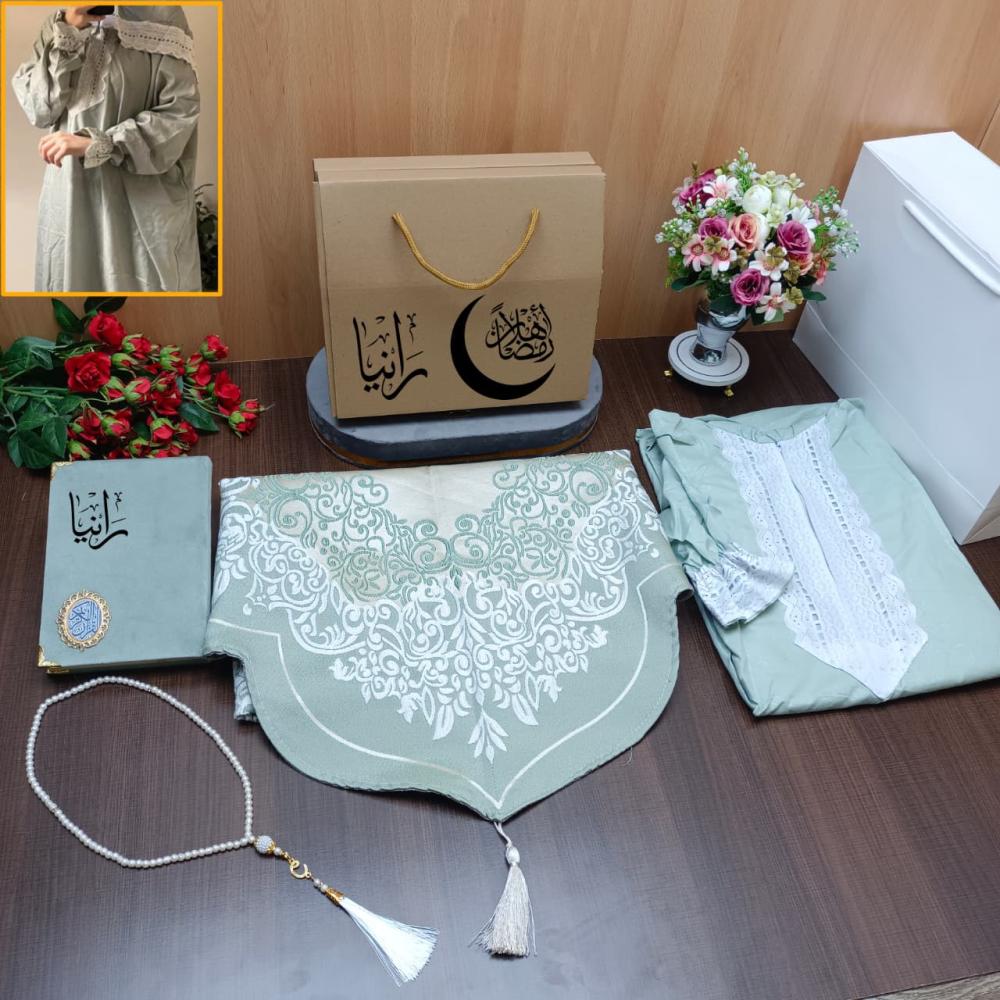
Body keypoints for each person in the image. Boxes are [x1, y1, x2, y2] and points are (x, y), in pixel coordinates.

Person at [12, 6, 201, 292]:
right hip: (69, 196)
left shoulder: (162, 15)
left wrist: (102, 143)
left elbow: (180, 113)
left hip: (138, 208)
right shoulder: (59, 24)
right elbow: (40, 110)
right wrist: (70, 27)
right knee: (72, 295)